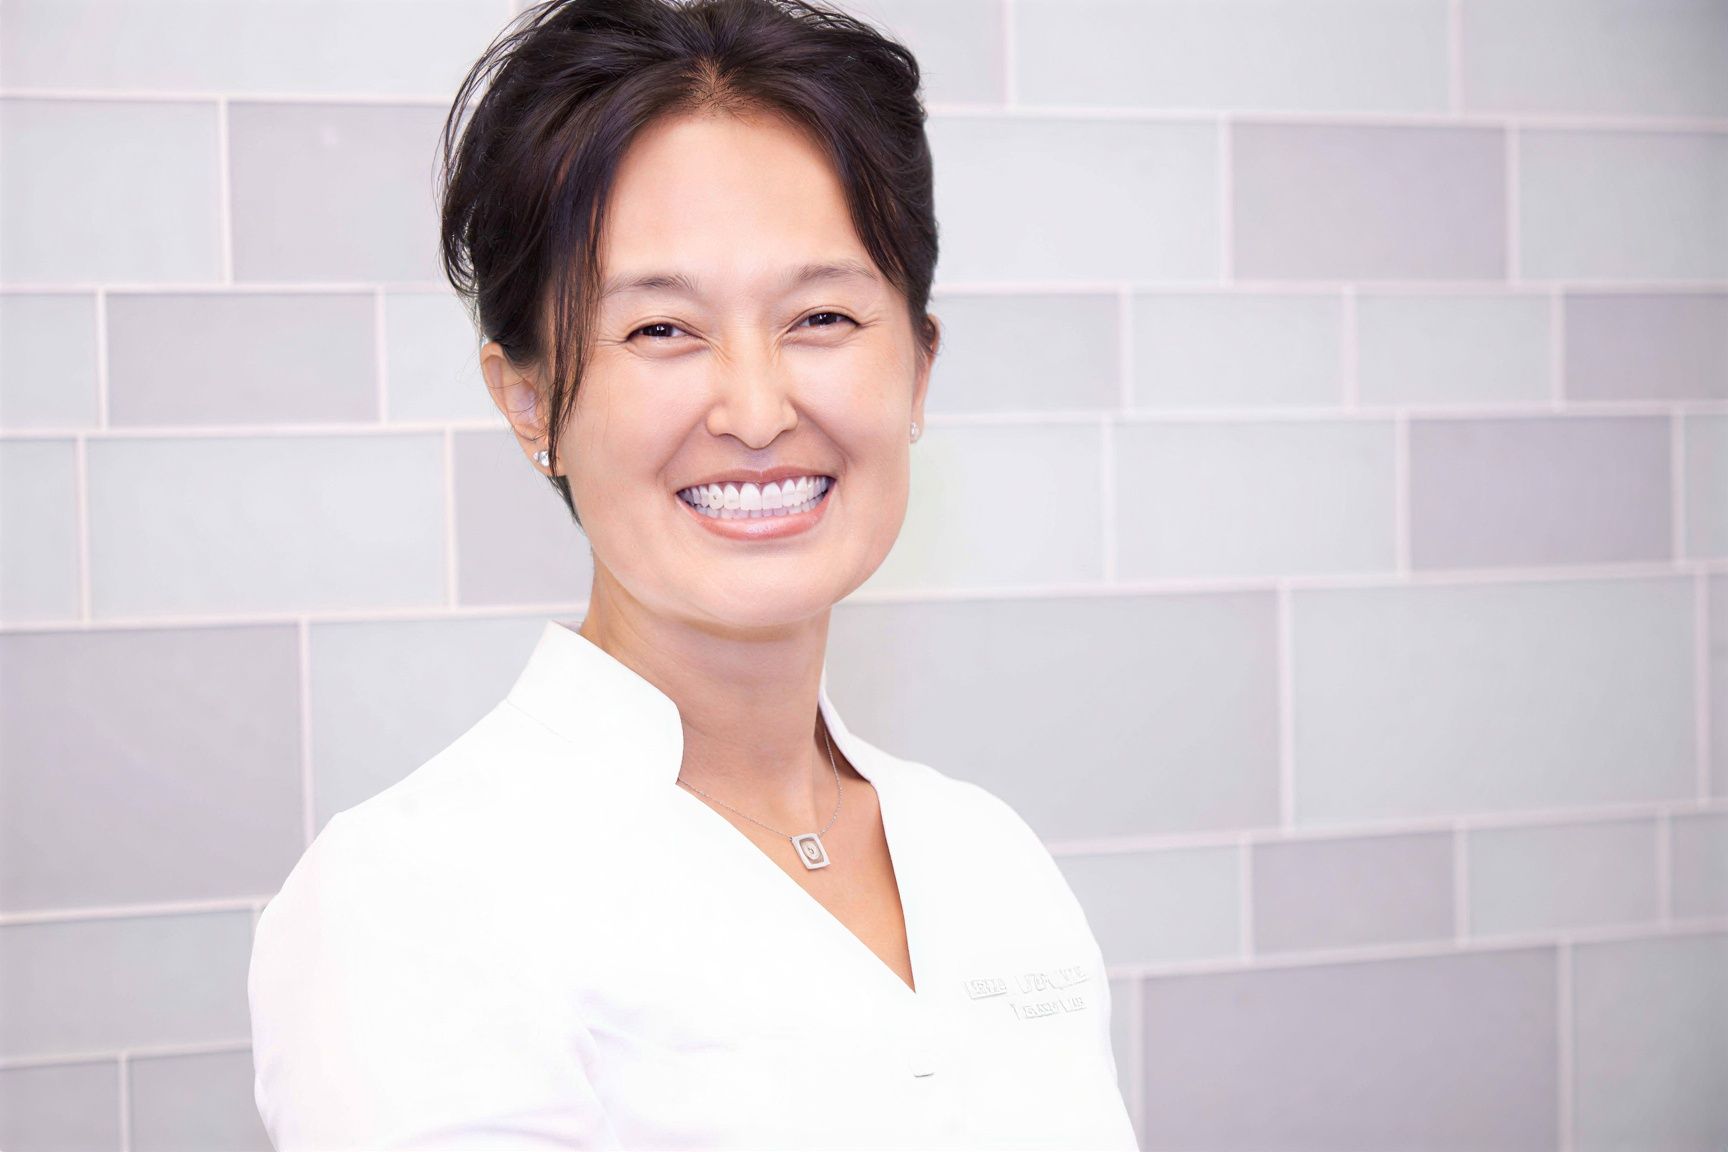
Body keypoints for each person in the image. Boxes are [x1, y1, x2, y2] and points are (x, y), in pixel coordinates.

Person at [247, 0, 1137, 1147]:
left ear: (917, 368)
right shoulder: (412, 897)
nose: (758, 411)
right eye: (663, 331)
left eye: (821, 316)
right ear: (528, 400)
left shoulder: (988, 857)